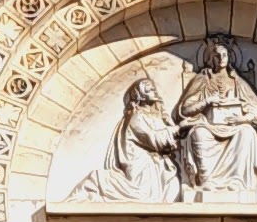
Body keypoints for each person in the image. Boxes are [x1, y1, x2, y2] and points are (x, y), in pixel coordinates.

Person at [172, 39, 257, 199]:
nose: (222, 58)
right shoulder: (203, 79)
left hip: (235, 125)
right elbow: (185, 109)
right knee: (198, 133)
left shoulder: (236, 81)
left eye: (225, 55)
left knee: (247, 132)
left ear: (229, 57)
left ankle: (237, 181)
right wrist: (206, 101)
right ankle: (207, 180)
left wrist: (243, 119)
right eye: (217, 55)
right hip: (208, 125)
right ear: (211, 59)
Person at [73, 70, 179, 204]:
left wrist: (168, 122)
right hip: (141, 168)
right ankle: (97, 182)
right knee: (143, 196)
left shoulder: (151, 116)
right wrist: (177, 129)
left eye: (154, 89)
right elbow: (153, 138)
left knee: (172, 186)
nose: (155, 91)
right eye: (150, 89)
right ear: (141, 96)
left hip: (155, 166)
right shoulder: (136, 117)